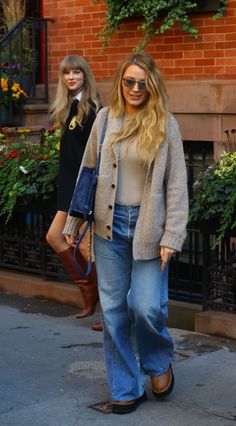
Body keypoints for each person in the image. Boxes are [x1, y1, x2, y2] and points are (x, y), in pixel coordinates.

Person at [63, 52, 188, 414]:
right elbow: (87, 171)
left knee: (146, 307)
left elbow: (178, 186)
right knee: (115, 310)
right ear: (120, 82)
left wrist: (172, 236)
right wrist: (74, 223)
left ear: (153, 84)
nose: (135, 88)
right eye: (128, 81)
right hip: (107, 225)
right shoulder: (105, 119)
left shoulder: (167, 124)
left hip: (149, 227)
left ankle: (158, 361)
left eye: (142, 82)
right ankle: (125, 389)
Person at [46, 55, 102, 331]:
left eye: (76, 72)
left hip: (82, 190)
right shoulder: (71, 106)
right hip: (68, 187)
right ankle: (88, 293)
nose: (71, 77)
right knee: (55, 237)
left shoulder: (93, 109)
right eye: (66, 73)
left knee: (87, 247)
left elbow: (94, 156)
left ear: (85, 75)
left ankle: (110, 310)